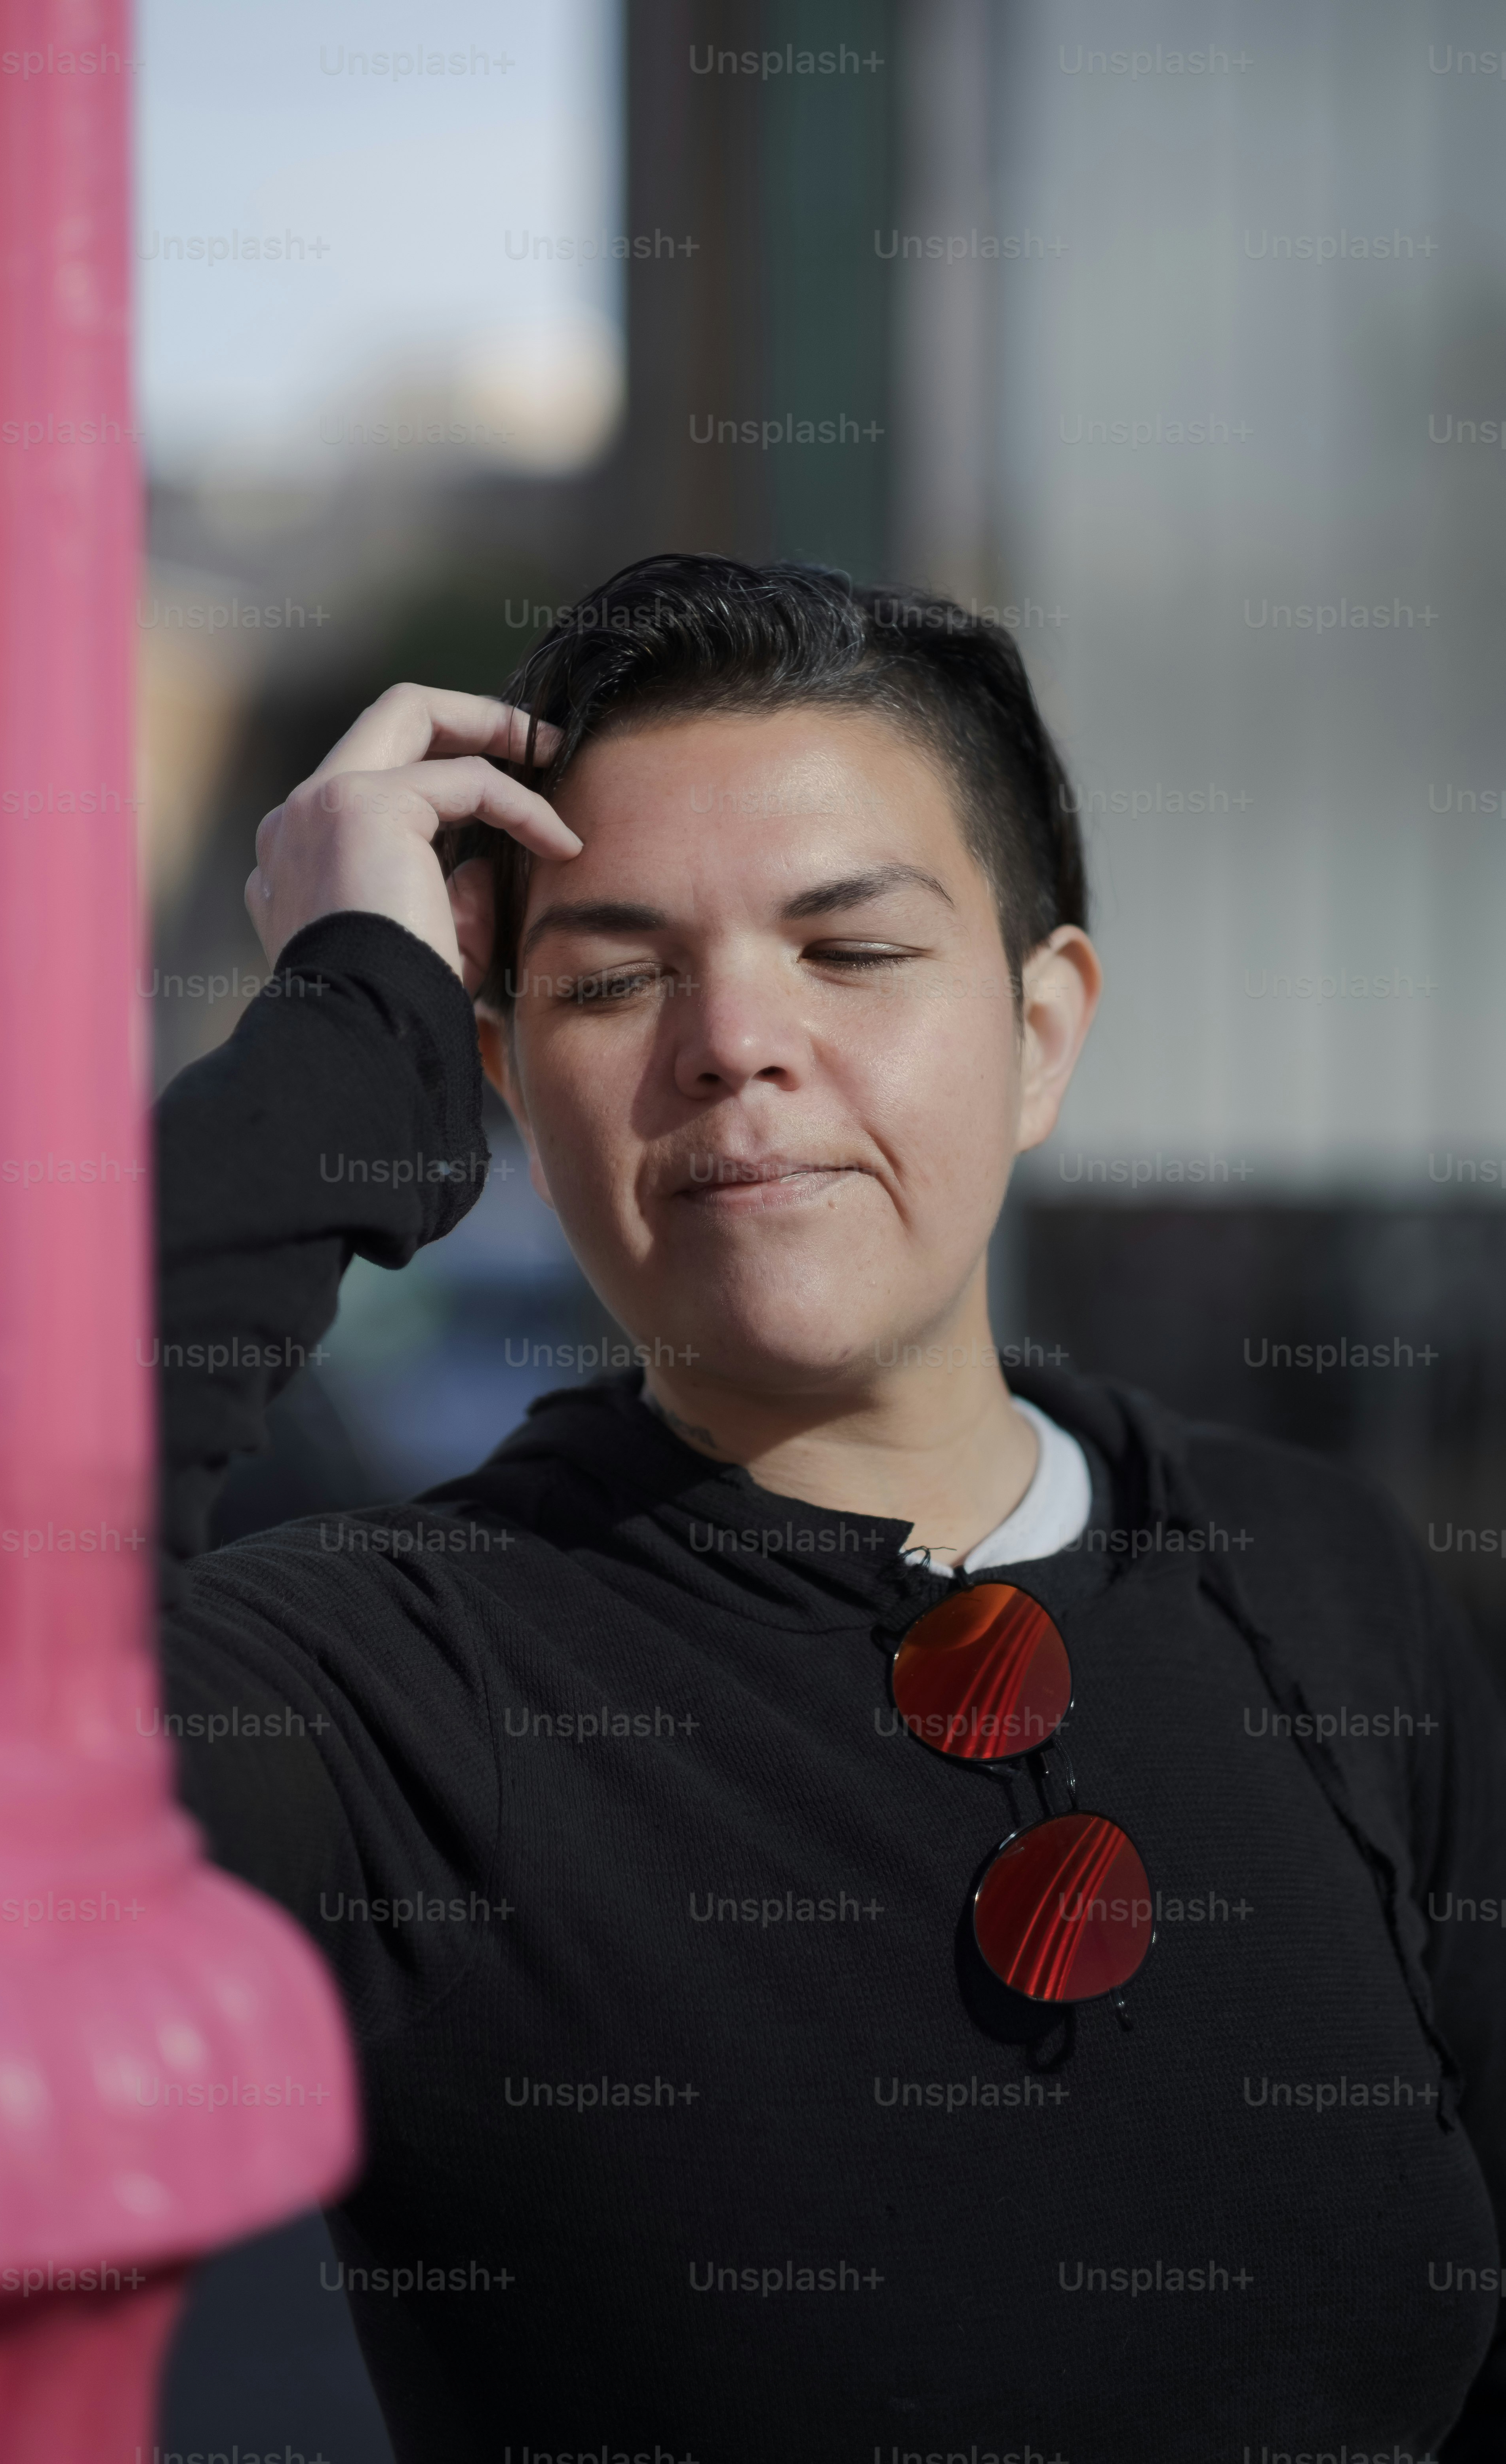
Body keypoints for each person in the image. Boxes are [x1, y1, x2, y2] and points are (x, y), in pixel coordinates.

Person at [156, 554, 1506, 2463]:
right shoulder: (387, 1683)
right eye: (611, 977)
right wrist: (340, 1040)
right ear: (503, 1085)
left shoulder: (1318, 1578)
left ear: (1041, 1030)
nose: (733, 1042)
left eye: (850, 950)